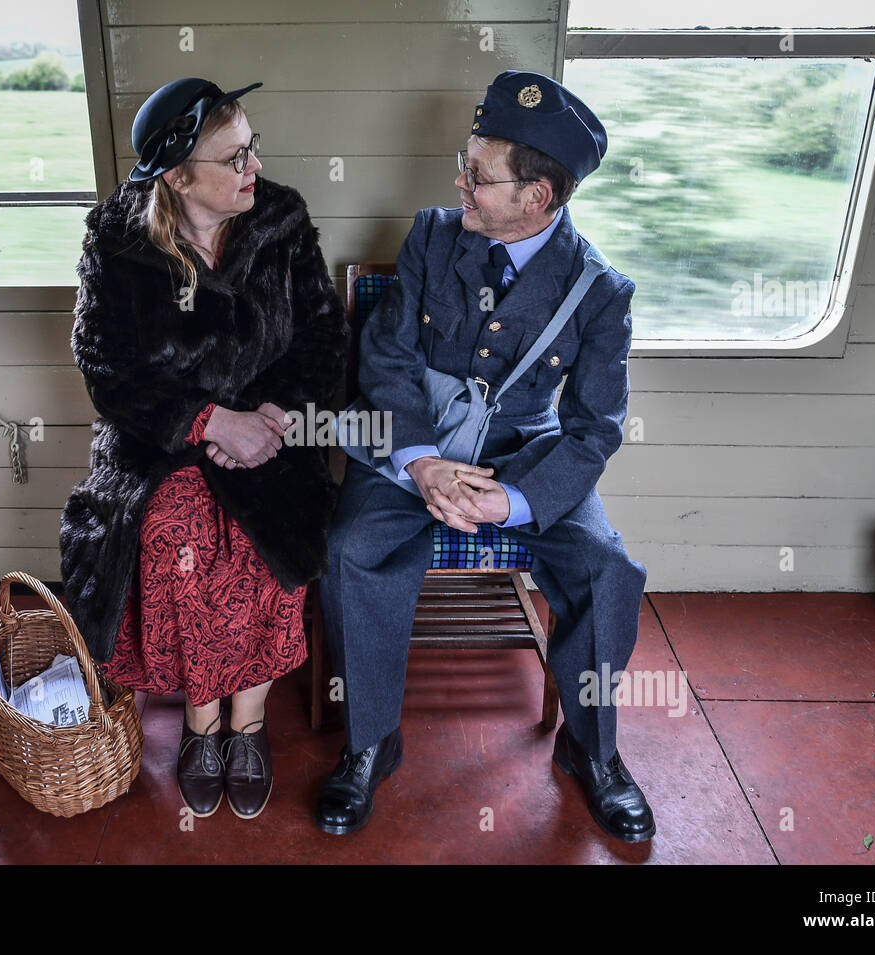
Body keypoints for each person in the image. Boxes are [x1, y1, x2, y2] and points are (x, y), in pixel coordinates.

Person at [315, 70, 655, 841]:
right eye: (464, 162)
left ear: (536, 197)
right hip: (418, 442)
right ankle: (370, 741)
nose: (459, 182)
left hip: (526, 457)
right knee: (349, 549)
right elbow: (388, 362)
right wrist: (421, 461)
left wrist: (517, 502)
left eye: (478, 173)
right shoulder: (434, 236)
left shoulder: (601, 292)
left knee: (607, 567)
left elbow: (595, 427)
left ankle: (592, 749)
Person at [59, 77, 348, 820]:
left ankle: (247, 725)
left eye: (252, 146)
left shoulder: (280, 220)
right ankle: (201, 723)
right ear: (179, 176)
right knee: (177, 532)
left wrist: (277, 418)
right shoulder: (119, 241)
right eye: (233, 157)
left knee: (269, 529)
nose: (254, 165)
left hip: (275, 436)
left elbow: (322, 339)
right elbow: (107, 370)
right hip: (165, 445)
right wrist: (209, 421)